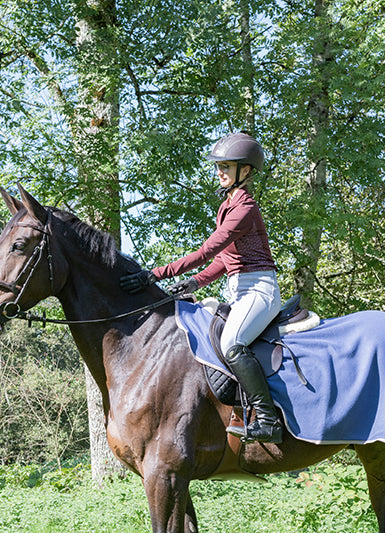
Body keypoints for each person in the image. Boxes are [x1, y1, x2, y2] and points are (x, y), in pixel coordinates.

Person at [120, 132, 283, 444]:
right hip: (239, 292)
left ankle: (268, 420)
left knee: (232, 343)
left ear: (246, 170)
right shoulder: (228, 206)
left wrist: (154, 275)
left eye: (226, 166)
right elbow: (223, 260)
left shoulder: (245, 208)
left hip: (259, 291)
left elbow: (207, 251)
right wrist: (194, 282)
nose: (219, 171)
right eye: (218, 166)